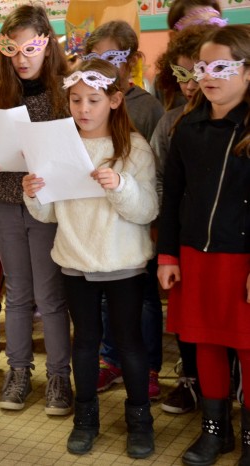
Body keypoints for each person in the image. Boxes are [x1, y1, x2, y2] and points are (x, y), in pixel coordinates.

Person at [24, 58, 158, 458]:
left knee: (130, 342)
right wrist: (34, 191)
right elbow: (49, 213)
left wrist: (120, 184)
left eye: (94, 100)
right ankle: (86, 419)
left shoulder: (134, 148)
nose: (84, 109)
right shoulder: (62, 147)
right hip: (75, 260)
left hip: (124, 263)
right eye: (77, 100)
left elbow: (147, 210)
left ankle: (140, 421)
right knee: (84, 343)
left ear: (115, 100)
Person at [0, 4, 73, 416]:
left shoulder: (64, 91)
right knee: (16, 293)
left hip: (47, 206)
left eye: (30, 47)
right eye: (12, 49)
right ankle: (18, 372)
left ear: (47, 44)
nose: (22, 57)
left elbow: (74, 153)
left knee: (50, 297)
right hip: (5, 202)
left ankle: (59, 377)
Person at [157, 25, 250, 466]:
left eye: (221, 67)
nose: (208, 75)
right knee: (206, 345)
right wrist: (169, 253)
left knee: (248, 349)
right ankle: (216, 432)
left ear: (247, 72)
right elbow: (172, 195)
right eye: (201, 67)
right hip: (196, 255)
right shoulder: (186, 126)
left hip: (243, 259)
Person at [83, 20, 165, 400]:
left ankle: (147, 366)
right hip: (94, 227)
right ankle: (110, 360)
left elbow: (154, 171)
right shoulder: (83, 106)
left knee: (143, 300)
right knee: (102, 300)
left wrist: (153, 221)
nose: (105, 64)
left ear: (131, 61)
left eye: (113, 57)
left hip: (136, 223)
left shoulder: (147, 108)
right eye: (95, 57)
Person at [150, 24, 212, 415]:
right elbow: (161, 182)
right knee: (188, 317)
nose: (190, 85)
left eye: (199, 74)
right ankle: (191, 382)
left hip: (225, 239)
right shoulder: (171, 121)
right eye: (182, 75)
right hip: (183, 235)